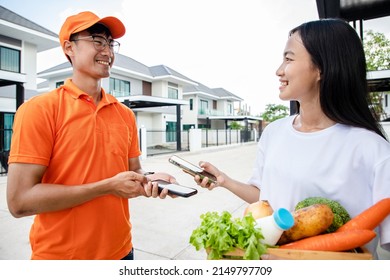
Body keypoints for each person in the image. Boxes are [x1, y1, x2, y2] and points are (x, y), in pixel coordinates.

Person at [194, 19, 390, 259]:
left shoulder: (374, 150)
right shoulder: (274, 132)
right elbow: (265, 198)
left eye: (289, 59)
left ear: (321, 69)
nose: (279, 70)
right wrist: (225, 181)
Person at [6, 11, 174, 260]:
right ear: (69, 48)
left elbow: (134, 169)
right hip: (61, 259)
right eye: (97, 40)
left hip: (122, 252)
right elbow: (19, 202)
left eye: (110, 43)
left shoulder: (124, 114)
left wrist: (148, 180)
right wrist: (106, 187)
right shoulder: (39, 110)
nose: (107, 51)